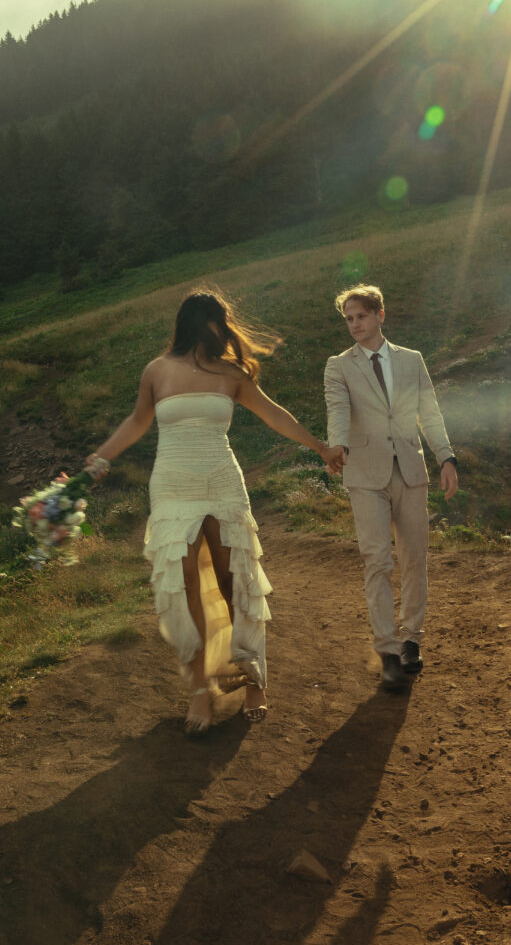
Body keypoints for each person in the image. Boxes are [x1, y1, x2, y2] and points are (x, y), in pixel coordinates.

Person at [86, 289, 344, 733]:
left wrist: (319, 447)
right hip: (172, 483)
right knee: (187, 582)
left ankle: (253, 677)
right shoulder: (157, 371)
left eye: (223, 323)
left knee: (232, 579)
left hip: (222, 479)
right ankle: (201, 689)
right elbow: (138, 420)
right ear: (195, 324)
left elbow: (272, 414)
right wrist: (102, 456)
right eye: (215, 322)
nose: (222, 330)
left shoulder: (233, 373)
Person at [323, 284, 458, 688]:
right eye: (348, 319)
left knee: (415, 557)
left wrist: (446, 457)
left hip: (412, 471)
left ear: (380, 315)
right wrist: (338, 445)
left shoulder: (412, 360)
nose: (354, 325)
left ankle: (411, 639)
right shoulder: (338, 365)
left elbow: (429, 411)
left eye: (360, 316)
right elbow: (338, 409)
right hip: (364, 474)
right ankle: (386, 649)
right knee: (378, 560)